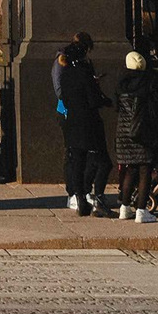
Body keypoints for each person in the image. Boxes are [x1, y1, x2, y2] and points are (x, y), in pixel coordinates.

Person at [53, 32, 110, 217]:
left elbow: (64, 95)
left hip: (72, 119)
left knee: (76, 159)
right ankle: (94, 195)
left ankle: (79, 197)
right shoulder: (83, 73)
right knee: (101, 161)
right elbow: (93, 100)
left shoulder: (66, 73)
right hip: (87, 121)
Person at [111, 50, 158, 221]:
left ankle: (124, 207)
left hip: (124, 132)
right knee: (145, 170)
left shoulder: (120, 83)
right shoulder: (148, 83)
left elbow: (117, 107)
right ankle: (141, 210)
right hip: (143, 131)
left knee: (130, 169)